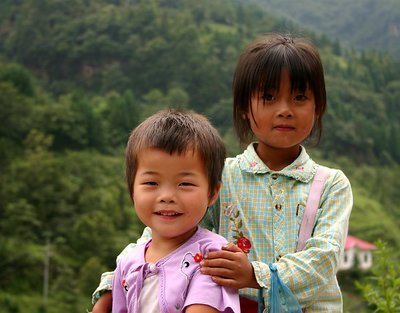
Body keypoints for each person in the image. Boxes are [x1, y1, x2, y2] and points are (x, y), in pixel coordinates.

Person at [92, 33, 353, 313]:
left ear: (319, 107)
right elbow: (167, 234)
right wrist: (114, 283)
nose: (285, 110)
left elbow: (324, 259)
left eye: (300, 97)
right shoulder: (222, 177)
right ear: (243, 107)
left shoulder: (330, 185)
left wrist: (254, 274)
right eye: (268, 97)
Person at [108, 109, 240, 313]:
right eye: (151, 182)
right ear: (132, 188)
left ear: (212, 193)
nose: (167, 196)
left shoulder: (211, 256)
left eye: (185, 183)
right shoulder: (127, 261)